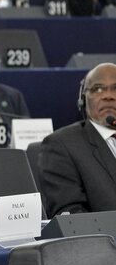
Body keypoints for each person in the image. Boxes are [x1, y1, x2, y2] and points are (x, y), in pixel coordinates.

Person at [39, 63, 116, 217]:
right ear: (83, 99)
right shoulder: (61, 145)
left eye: (115, 88)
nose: (108, 96)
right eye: (97, 89)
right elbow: (72, 218)